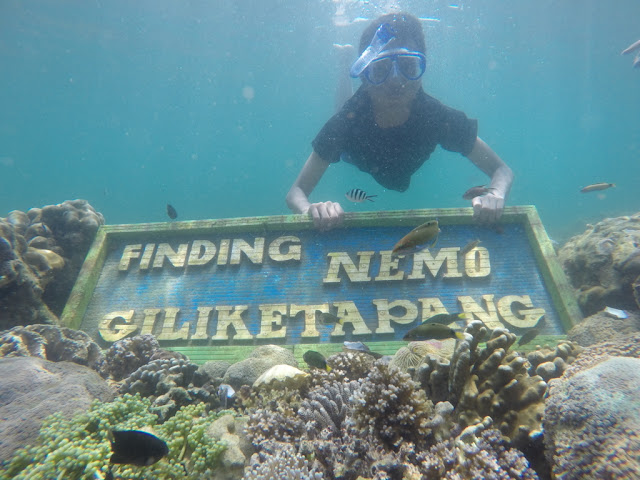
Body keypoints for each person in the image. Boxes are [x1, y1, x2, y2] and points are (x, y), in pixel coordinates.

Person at [286, 12, 514, 231]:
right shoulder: (345, 124)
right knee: (344, 109)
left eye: (407, 66)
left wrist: (495, 193)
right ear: (365, 75)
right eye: (381, 69)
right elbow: (296, 192)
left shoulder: (436, 116)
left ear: (421, 70)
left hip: (394, 171)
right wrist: (311, 211)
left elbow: (501, 170)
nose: (396, 81)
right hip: (353, 156)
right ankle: (344, 66)